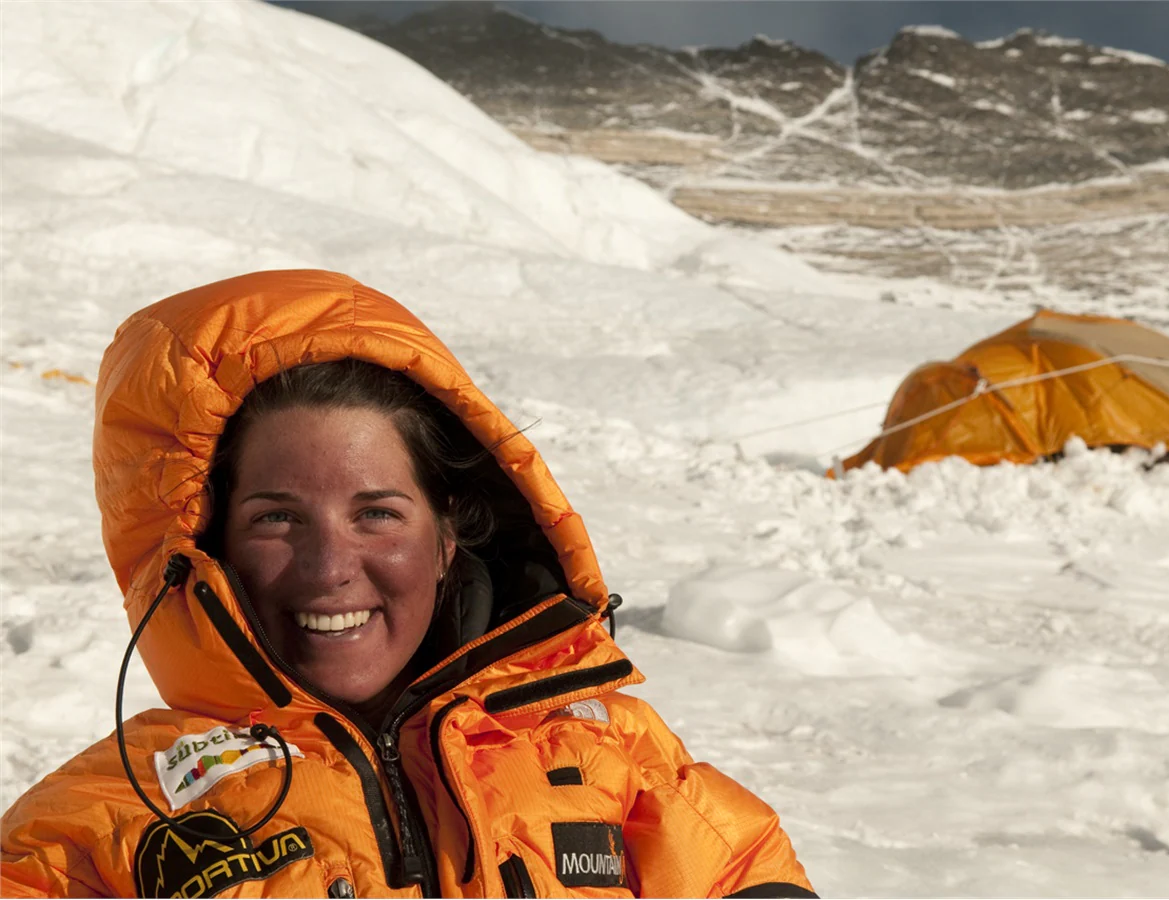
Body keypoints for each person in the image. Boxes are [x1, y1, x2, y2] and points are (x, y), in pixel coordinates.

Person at [0, 270, 815, 899]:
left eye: (378, 514)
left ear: (446, 535)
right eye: (276, 519)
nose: (329, 569)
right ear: (202, 553)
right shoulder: (95, 830)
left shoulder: (616, 758)